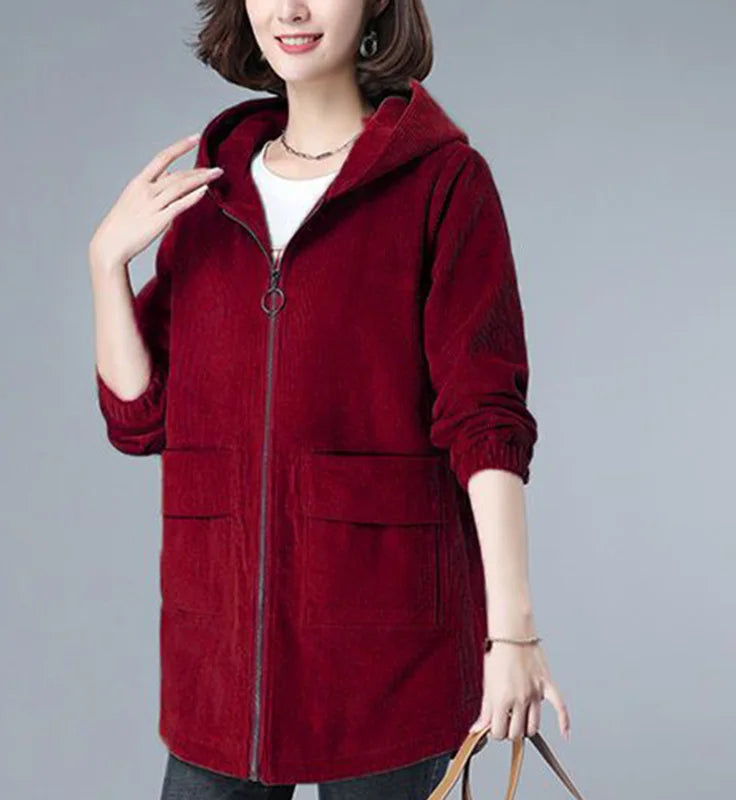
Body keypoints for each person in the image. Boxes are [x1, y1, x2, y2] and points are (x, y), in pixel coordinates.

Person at [88, 1, 571, 797]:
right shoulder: (210, 193)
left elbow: (485, 416)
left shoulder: (442, 180)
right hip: (220, 660)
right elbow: (138, 422)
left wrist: (511, 632)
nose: (291, 9)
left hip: (390, 652)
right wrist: (106, 264)